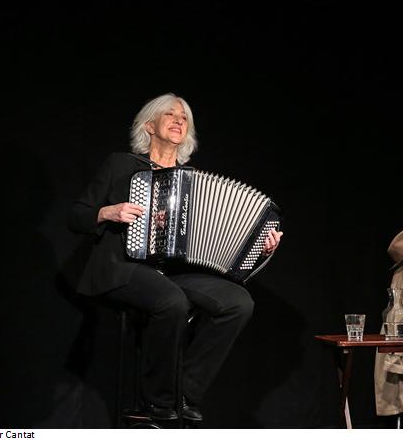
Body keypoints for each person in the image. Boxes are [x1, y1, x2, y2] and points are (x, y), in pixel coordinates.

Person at [68, 93, 283, 423]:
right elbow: (76, 216)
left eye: (184, 117)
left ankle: (185, 392)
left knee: (238, 303)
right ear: (149, 126)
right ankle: (159, 402)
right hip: (122, 267)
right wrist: (108, 211)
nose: (179, 120)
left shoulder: (192, 181)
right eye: (170, 114)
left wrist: (262, 247)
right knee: (172, 301)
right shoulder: (121, 165)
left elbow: (219, 236)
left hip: (173, 272)